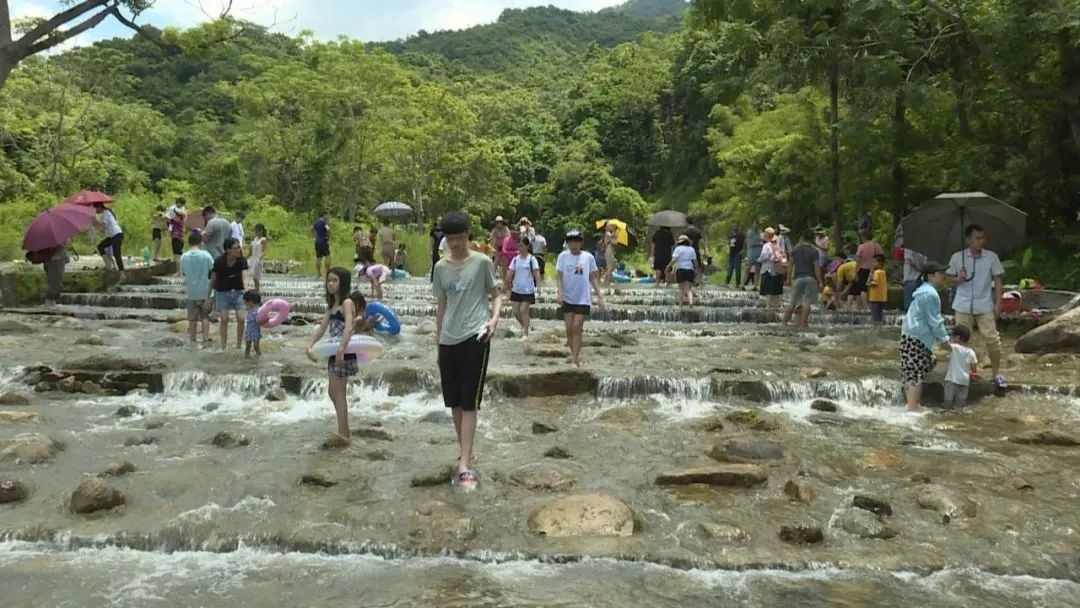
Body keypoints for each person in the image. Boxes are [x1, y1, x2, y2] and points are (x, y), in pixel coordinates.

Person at [433, 211, 502, 489]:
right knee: (454, 402)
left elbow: (496, 295)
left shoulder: (482, 262)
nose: (456, 244)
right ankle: (466, 450)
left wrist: (494, 320)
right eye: (451, 239)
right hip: (448, 340)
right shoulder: (440, 269)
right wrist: (438, 340)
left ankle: (464, 464)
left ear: (468, 236)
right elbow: (442, 304)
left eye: (460, 238)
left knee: (469, 400)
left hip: (476, 336)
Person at [947, 224, 1006, 388]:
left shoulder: (991, 257)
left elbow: (998, 280)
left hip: (984, 303)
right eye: (977, 238)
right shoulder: (958, 257)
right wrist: (958, 278)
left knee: (993, 339)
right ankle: (964, 374)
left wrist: (999, 303)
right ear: (968, 239)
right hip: (963, 303)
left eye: (983, 238)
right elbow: (947, 279)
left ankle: (995, 374)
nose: (981, 241)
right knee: (961, 342)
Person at [306, 268, 358, 444]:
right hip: (334, 351)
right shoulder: (332, 306)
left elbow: (349, 327)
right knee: (333, 392)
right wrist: (310, 345)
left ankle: (343, 433)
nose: (330, 284)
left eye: (335, 280)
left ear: (343, 283)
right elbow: (321, 329)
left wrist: (341, 349)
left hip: (344, 351)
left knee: (338, 393)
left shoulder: (346, 303)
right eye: (329, 280)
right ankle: (344, 430)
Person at [900, 261, 950, 412]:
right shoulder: (930, 294)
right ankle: (913, 407)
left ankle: (912, 404)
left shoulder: (924, 290)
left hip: (911, 335)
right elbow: (935, 321)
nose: (943, 277)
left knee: (916, 370)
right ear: (931, 276)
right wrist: (945, 341)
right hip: (916, 336)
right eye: (940, 274)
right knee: (915, 374)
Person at [557, 229, 604, 368]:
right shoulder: (563, 256)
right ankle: (575, 356)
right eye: (570, 241)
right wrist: (559, 293)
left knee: (577, 328)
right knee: (569, 329)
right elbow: (559, 277)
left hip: (583, 298)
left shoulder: (588, 257)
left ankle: (574, 360)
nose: (573, 244)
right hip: (567, 297)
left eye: (576, 241)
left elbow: (593, 278)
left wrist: (599, 295)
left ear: (581, 242)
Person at [211, 237, 248, 351]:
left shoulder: (241, 260)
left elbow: (245, 276)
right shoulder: (219, 261)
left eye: (239, 247)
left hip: (238, 292)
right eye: (236, 248)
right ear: (228, 250)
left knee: (241, 318)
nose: (239, 250)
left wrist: (247, 291)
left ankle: (238, 345)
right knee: (224, 319)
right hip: (222, 292)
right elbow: (213, 279)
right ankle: (223, 346)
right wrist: (208, 296)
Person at [179, 232, 215, 347]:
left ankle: (193, 339)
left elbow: (183, 272)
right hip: (205, 291)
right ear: (201, 242)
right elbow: (213, 269)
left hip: (191, 292)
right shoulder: (205, 255)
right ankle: (205, 337)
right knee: (205, 316)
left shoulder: (184, 256)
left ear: (188, 242)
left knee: (192, 319)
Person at [782, 229, 824, 327]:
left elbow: (790, 265)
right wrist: (821, 282)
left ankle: (784, 322)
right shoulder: (814, 251)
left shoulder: (795, 249)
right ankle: (803, 324)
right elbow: (816, 268)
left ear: (803, 237)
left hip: (798, 278)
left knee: (793, 302)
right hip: (811, 278)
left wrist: (788, 279)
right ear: (813, 238)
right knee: (807, 302)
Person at [506, 237, 541, 338]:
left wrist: (538, 286)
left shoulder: (532, 259)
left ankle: (526, 333)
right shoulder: (515, 259)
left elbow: (537, 273)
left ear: (527, 246)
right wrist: (507, 283)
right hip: (516, 289)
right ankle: (525, 326)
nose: (519, 247)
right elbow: (510, 272)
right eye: (519, 245)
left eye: (521, 245)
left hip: (528, 290)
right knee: (516, 312)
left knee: (523, 310)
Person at [944, 324, 978, 409]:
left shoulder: (955, 347)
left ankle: (947, 412)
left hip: (952, 379)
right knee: (960, 404)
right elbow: (974, 364)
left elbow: (944, 345)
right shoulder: (971, 352)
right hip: (964, 381)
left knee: (948, 401)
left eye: (953, 337)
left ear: (958, 338)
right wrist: (973, 375)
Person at [666, 234, 699, 307]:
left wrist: (668, 266)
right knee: (689, 289)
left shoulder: (678, 249)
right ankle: (691, 303)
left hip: (680, 269)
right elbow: (695, 261)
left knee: (681, 289)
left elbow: (674, 260)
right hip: (690, 270)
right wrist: (696, 270)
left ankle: (680, 305)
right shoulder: (691, 249)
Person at [94, 203, 124, 279]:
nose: (95, 211)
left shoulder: (106, 213)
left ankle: (122, 273)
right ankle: (108, 265)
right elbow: (103, 229)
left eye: (96, 208)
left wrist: (95, 222)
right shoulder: (104, 214)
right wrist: (96, 223)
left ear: (100, 207)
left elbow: (103, 226)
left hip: (116, 234)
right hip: (112, 236)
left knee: (117, 254)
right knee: (101, 247)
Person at [855, 230, 884, 311]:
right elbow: (882, 257)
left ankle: (865, 308)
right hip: (875, 269)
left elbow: (858, 260)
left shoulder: (861, 247)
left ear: (863, 237)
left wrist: (856, 273)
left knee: (863, 289)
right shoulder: (877, 246)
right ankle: (873, 307)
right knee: (872, 288)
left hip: (863, 269)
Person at [757, 227, 784, 308]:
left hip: (768, 269)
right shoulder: (777, 245)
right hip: (777, 270)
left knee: (769, 289)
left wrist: (759, 260)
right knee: (775, 290)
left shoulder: (766, 246)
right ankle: (777, 304)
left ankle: (768, 305)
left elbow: (764, 256)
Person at [42, 241, 70, 309]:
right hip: (55, 261)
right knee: (54, 282)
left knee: (56, 282)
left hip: (56, 260)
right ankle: (48, 303)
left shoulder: (59, 237)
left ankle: (52, 302)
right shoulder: (55, 239)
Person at [742, 219, 763, 290]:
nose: (756, 225)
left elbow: (762, 241)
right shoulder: (749, 232)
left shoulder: (760, 232)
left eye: (757, 224)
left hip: (759, 250)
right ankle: (743, 285)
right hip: (751, 250)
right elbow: (748, 243)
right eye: (754, 224)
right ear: (752, 224)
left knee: (757, 268)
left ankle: (755, 285)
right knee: (748, 268)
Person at [868, 253, 888, 324]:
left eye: (874, 262)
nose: (872, 264)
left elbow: (874, 283)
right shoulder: (883, 272)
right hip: (882, 297)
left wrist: (869, 282)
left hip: (875, 298)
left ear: (880, 263)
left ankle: (876, 328)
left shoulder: (876, 272)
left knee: (875, 316)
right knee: (880, 314)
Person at [243, 290, 262, 358]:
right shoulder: (250, 308)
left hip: (256, 331)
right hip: (249, 331)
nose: (244, 303)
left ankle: (259, 357)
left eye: (245, 302)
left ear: (250, 302)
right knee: (247, 346)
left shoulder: (259, 310)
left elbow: (262, 319)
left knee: (256, 346)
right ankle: (246, 357)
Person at [249, 224, 268, 293]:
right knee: (254, 277)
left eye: (258, 230)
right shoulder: (255, 239)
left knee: (256, 277)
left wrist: (259, 259)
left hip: (258, 260)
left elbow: (264, 252)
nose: (257, 232)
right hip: (253, 259)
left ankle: (257, 291)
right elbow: (251, 251)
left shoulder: (263, 240)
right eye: (256, 230)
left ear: (262, 231)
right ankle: (256, 291)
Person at [313, 211, 331, 278]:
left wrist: (315, 236)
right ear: (323, 216)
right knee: (327, 256)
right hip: (323, 241)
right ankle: (327, 272)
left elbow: (312, 229)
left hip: (317, 242)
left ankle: (318, 273)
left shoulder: (316, 223)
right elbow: (328, 230)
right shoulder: (324, 223)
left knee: (318, 258)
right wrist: (328, 238)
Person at [429, 217, 443, 282]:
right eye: (438, 220)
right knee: (435, 264)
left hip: (442, 249)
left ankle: (440, 279)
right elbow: (431, 241)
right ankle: (433, 279)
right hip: (435, 249)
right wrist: (431, 250)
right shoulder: (433, 231)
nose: (439, 221)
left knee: (442, 264)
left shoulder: (444, 230)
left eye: (441, 220)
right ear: (436, 221)